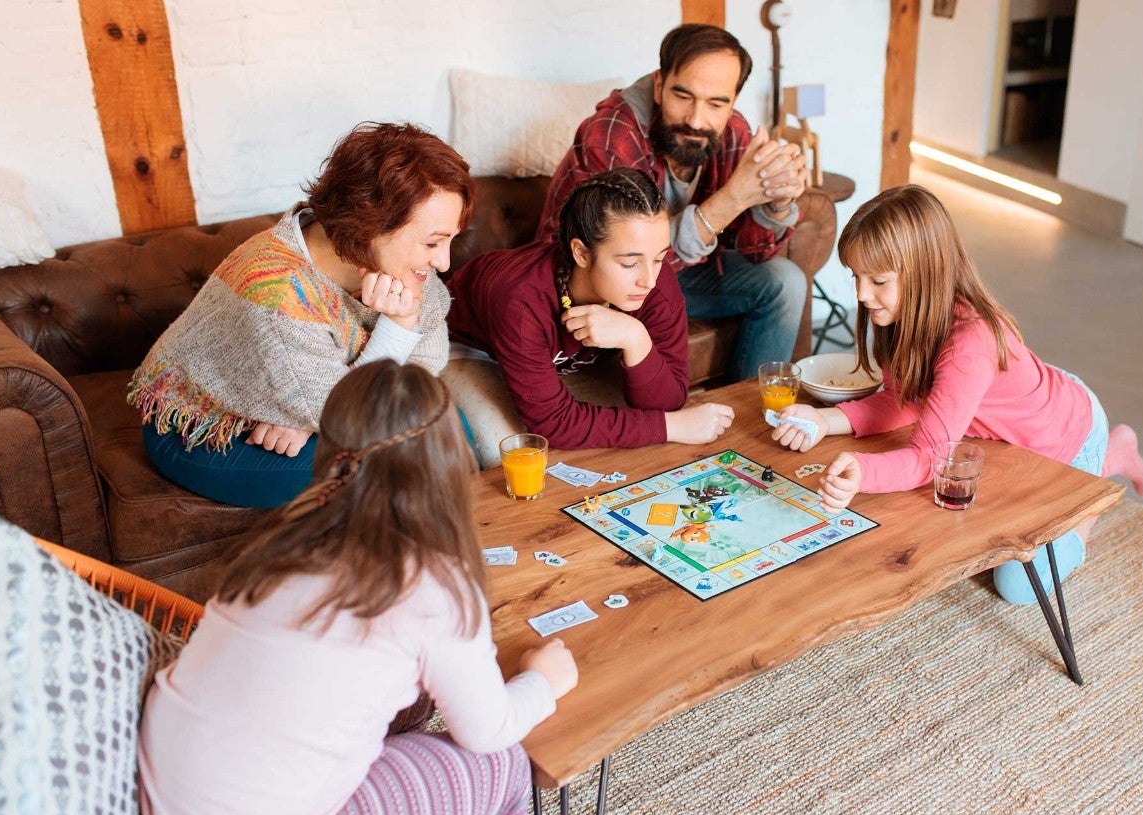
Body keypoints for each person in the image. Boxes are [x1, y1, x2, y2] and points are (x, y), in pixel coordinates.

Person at [138, 360, 578, 815]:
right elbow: (487, 731)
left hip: (169, 805)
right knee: (504, 770)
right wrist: (543, 682)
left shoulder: (285, 534)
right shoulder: (435, 585)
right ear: (449, 464)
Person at [769, 184, 1143, 605]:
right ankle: (1103, 459)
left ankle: (1105, 462)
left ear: (923, 273)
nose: (861, 294)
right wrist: (824, 420)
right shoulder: (905, 312)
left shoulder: (970, 342)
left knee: (1018, 587)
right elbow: (903, 401)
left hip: (1066, 436)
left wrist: (864, 472)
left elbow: (928, 458)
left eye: (877, 280)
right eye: (856, 277)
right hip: (1016, 419)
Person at [129, 122, 473, 508]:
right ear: (370, 224)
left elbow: (428, 364)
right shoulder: (277, 294)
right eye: (432, 242)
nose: (443, 262)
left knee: (452, 431)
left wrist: (308, 417)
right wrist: (399, 327)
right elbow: (347, 416)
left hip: (317, 402)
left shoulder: (401, 266)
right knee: (399, 466)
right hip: (206, 430)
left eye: (449, 240)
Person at [537, 24, 810, 382]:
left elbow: (755, 252)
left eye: (716, 103)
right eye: (683, 96)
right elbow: (623, 256)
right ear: (659, 84)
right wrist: (734, 198)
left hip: (674, 273)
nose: (697, 120)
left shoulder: (731, 130)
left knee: (785, 281)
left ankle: (751, 413)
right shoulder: (614, 132)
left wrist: (777, 201)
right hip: (599, 280)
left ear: (732, 101)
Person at [446, 167, 734, 451]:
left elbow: (669, 400)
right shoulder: (519, 299)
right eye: (629, 263)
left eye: (659, 258)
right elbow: (554, 425)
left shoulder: (656, 281)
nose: (649, 280)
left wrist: (636, 338)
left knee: (634, 439)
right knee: (519, 451)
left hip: (564, 362)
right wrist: (674, 427)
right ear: (581, 253)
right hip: (469, 349)